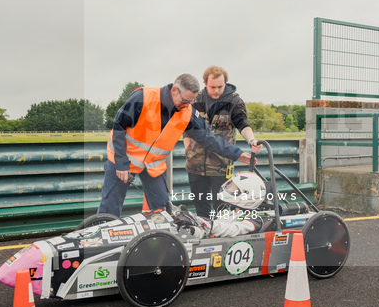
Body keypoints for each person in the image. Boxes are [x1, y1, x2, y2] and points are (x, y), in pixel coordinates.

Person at [98, 74, 257, 217]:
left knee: (164, 211)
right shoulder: (143, 97)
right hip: (123, 159)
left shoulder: (187, 112)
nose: (188, 105)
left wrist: (237, 154)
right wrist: (121, 162)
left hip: (153, 165)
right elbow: (119, 127)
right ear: (174, 90)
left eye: (191, 101)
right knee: (109, 209)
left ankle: (162, 244)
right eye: (185, 101)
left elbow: (209, 139)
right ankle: (99, 242)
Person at [182, 66, 261, 218]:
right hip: (195, 166)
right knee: (201, 209)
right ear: (205, 83)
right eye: (212, 87)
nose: (216, 90)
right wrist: (188, 150)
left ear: (226, 83)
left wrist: (251, 140)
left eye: (220, 86)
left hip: (221, 165)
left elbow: (242, 123)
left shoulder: (234, 100)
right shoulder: (196, 100)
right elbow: (186, 128)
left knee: (223, 209)